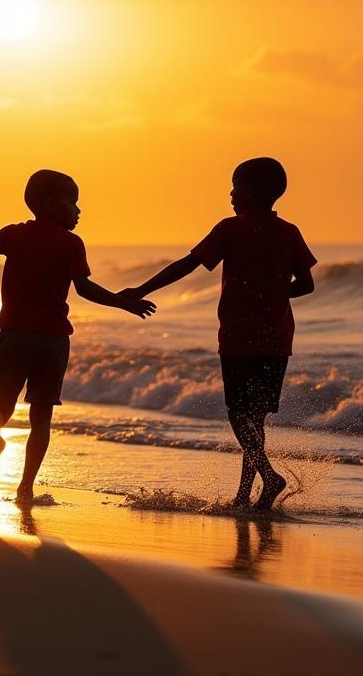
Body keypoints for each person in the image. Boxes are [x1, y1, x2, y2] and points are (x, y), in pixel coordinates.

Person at [0, 170, 155, 508]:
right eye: (73, 203)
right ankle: (26, 488)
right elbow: (84, 288)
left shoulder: (13, 235)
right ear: (51, 204)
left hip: (15, 337)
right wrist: (123, 302)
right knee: (41, 418)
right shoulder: (71, 243)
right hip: (53, 342)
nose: (78, 210)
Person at [123, 157, 315, 510]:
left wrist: (141, 290)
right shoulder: (289, 232)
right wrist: (274, 293)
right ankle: (245, 495)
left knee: (237, 414)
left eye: (235, 187)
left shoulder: (230, 228)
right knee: (254, 418)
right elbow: (307, 284)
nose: (230, 194)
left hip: (239, 339)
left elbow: (187, 264)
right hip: (276, 340)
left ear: (250, 192)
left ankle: (269, 477)